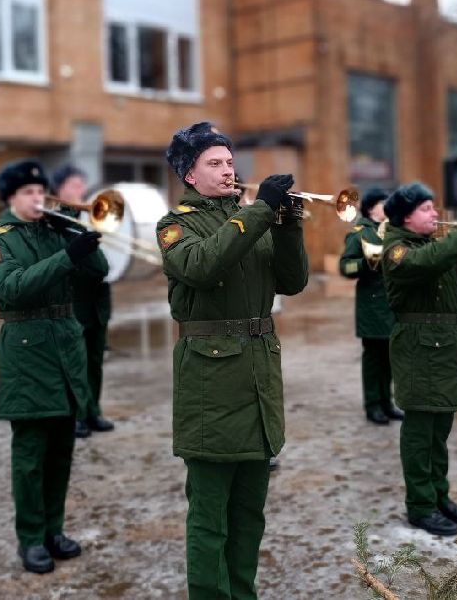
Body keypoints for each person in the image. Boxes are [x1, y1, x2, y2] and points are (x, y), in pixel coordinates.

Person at [157, 121, 308, 599]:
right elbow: (202, 265)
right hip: (211, 383)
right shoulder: (176, 225)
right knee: (209, 517)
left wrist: (287, 225)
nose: (228, 171)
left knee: (249, 513)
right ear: (189, 175)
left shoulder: (252, 218)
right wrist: (262, 210)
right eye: (214, 164)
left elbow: (293, 280)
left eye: (229, 162)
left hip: (257, 379)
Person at [0, 159, 109, 575]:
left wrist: (77, 234)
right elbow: (13, 289)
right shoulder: (0, 240)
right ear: (11, 199)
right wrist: (66, 255)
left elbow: (100, 272)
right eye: (29, 194)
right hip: (27, 351)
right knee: (31, 456)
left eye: (41, 192)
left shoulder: (55, 230)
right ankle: (31, 539)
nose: (38, 200)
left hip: (66, 348)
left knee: (62, 452)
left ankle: (54, 530)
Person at [381, 182, 457, 536]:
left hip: (443, 347)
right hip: (418, 348)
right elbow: (430, 262)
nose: (435, 214)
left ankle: (439, 496)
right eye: (427, 208)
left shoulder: (434, 247)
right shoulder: (398, 251)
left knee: (439, 431)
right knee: (419, 433)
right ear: (406, 217)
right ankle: (420, 505)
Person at [50, 163, 115, 437]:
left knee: (94, 361)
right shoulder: (55, 221)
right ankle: (75, 414)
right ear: (59, 189)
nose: (81, 189)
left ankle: (93, 411)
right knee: (73, 365)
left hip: (97, 302)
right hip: (74, 301)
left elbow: (106, 261)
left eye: (81, 184)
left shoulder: (90, 216)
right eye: (74, 185)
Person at [339, 186, 403, 425]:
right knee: (373, 360)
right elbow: (345, 266)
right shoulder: (359, 233)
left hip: (391, 305)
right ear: (372, 207)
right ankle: (372, 405)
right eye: (383, 202)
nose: (387, 206)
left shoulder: (392, 230)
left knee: (389, 359)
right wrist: (365, 266)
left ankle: (387, 403)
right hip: (372, 306)